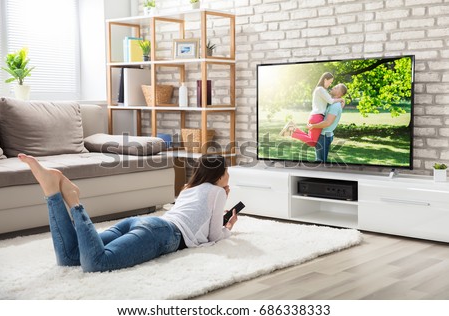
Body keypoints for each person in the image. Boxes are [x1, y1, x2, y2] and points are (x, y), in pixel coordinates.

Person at [18, 153, 238, 273]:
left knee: (70, 256)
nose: (228, 174)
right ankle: (74, 202)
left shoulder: (189, 188)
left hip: (144, 223)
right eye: (227, 171)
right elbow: (214, 237)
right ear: (219, 176)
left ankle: (52, 193)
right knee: (96, 263)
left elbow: (195, 216)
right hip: (162, 234)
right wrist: (227, 227)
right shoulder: (218, 192)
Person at [279, 72, 345, 147]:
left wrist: (340, 100)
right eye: (330, 82)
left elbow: (331, 99)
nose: (330, 84)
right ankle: (291, 132)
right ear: (325, 80)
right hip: (317, 117)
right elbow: (331, 100)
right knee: (312, 142)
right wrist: (341, 99)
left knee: (310, 139)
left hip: (315, 116)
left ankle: (292, 128)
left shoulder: (321, 90)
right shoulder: (321, 90)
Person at [307, 83, 348, 162]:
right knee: (320, 160)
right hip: (325, 135)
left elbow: (327, 123)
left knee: (320, 161)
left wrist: (313, 126)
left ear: (339, 94)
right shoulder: (332, 103)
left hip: (324, 137)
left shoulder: (335, 106)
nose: (333, 88)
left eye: (336, 88)